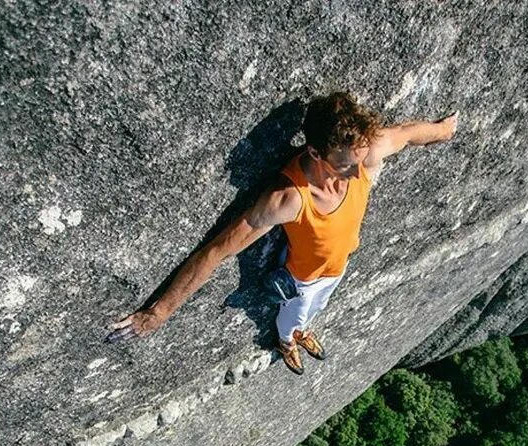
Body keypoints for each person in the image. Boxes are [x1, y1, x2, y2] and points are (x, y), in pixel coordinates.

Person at [110, 91, 458, 374]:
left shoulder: (365, 150)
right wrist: (158, 313)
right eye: (344, 166)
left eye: (361, 159)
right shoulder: (289, 198)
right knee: (294, 315)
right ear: (314, 152)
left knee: (316, 308)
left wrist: (442, 131)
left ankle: (302, 331)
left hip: (336, 269)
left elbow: (408, 134)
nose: (357, 174)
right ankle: (287, 340)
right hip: (303, 276)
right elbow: (217, 251)